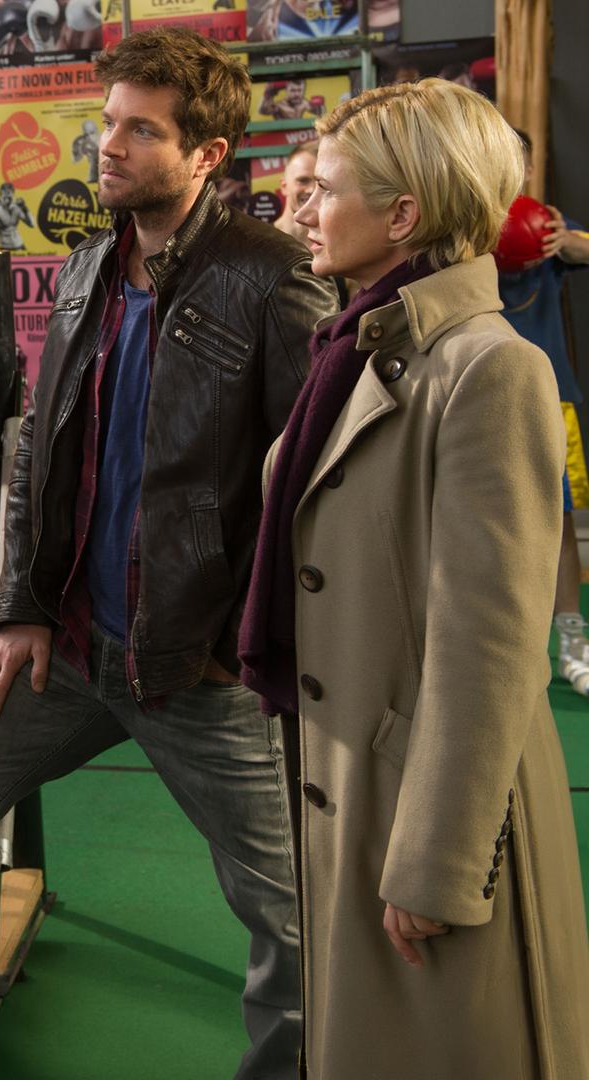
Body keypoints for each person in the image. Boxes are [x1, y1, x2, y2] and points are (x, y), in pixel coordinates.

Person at [0, 29, 337, 1080]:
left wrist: (241, 644)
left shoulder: (274, 278)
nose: (105, 145)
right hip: (72, 645)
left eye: (139, 130)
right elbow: (39, 453)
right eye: (106, 121)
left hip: (197, 672)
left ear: (208, 154)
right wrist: (21, 602)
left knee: (294, 920)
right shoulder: (83, 268)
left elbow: (311, 493)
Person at [244, 78, 589, 1079]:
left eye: (327, 189)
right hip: (356, 795)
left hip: (426, 822)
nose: (300, 208)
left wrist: (440, 865)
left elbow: (488, 649)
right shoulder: (358, 348)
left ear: (403, 214)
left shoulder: (488, 370)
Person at [498, 129, 589, 691]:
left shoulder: (549, 227)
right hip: (476, 393)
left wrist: (573, 241)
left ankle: (574, 643)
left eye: (519, 164)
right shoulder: (453, 226)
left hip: (549, 394)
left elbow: (581, 246)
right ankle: (502, 644)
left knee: (557, 524)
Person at [271, 142, 318, 239]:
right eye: (303, 181)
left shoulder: (335, 246)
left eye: (320, 182)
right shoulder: (258, 241)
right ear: (284, 186)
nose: (312, 189)